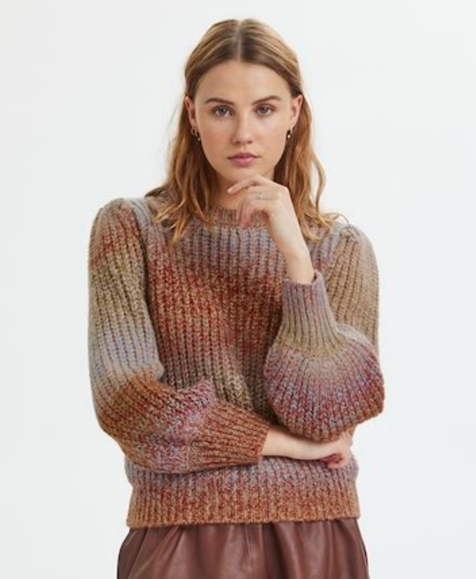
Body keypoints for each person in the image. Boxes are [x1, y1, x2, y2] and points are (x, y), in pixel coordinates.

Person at [87, 17, 385, 579]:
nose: (243, 133)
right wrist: (283, 446)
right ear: (192, 115)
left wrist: (298, 264)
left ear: (294, 113)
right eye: (222, 110)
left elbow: (331, 414)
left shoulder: (340, 250)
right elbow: (130, 405)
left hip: (317, 542)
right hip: (180, 538)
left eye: (264, 109)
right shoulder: (132, 230)